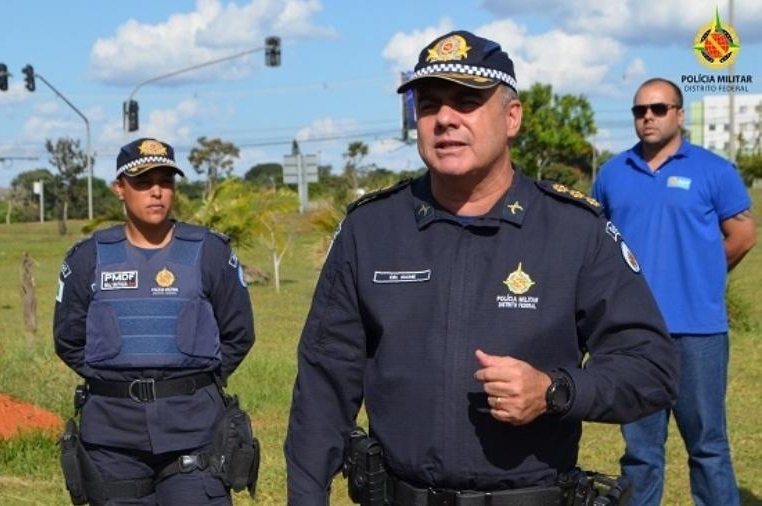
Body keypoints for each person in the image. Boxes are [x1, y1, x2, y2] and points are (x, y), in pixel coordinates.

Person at [284, 30, 679, 506]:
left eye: (466, 101)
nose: (444, 119)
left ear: (512, 118)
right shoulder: (370, 229)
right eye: (429, 105)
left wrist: (554, 390)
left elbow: (651, 368)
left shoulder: (574, 230)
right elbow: (324, 383)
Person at [54, 137, 255, 505]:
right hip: (112, 436)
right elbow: (68, 340)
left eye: (165, 181)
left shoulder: (210, 252)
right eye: (143, 183)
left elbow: (239, 333)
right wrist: (117, 378)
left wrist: (191, 381)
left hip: (194, 429)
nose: (156, 192)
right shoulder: (88, 259)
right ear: (120, 189)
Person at [593, 78, 756, 506]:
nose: (647, 116)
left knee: (708, 448)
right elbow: (596, 244)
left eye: (659, 108)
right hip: (633, 336)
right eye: (639, 110)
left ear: (679, 115)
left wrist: (702, 272)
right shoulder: (611, 174)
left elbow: (742, 234)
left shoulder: (714, 170)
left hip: (699, 333)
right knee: (641, 454)